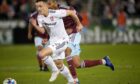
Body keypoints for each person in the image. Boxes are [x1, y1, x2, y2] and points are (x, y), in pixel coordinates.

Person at [47, 0, 115, 84]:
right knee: (77, 64)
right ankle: (104, 61)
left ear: (55, 2)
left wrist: (76, 25)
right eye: (47, 4)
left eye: (49, 4)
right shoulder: (50, 13)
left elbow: (79, 17)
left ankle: (75, 80)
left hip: (74, 34)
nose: (48, 6)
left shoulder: (67, 9)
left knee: (67, 51)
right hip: (64, 37)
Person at [30, 0, 83, 83]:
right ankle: (71, 81)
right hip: (53, 41)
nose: (38, 8)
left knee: (41, 54)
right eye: (37, 7)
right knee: (59, 64)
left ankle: (54, 70)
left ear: (46, 5)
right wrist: (35, 25)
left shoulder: (56, 13)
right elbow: (44, 30)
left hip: (63, 40)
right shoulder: (40, 17)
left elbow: (72, 13)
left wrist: (79, 24)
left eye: (40, 6)